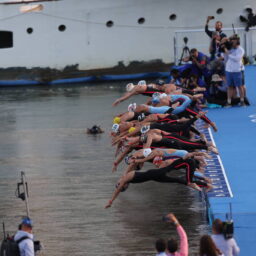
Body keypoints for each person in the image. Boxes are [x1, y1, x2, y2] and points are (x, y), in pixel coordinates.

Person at [223, 35, 245, 106]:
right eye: (231, 40)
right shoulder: (230, 48)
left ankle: (242, 100)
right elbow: (225, 56)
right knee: (229, 86)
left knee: (240, 86)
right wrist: (225, 47)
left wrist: (228, 54)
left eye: (233, 40)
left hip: (237, 70)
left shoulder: (241, 50)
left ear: (237, 41)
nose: (232, 41)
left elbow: (237, 59)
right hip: (229, 70)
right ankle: (229, 101)